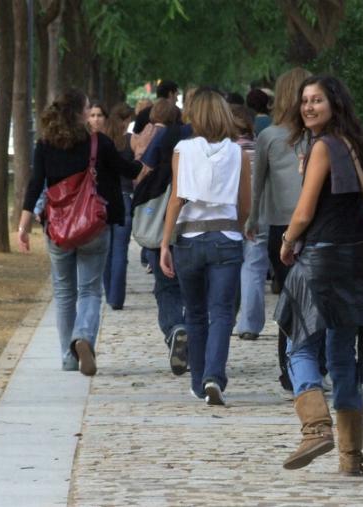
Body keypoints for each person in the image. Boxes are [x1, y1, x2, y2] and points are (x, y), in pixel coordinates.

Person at [274, 75, 363, 475]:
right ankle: (350, 456)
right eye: (304, 101)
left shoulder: (322, 147)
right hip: (354, 262)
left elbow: (304, 212)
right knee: (342, 356)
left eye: (317, 100)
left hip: (320, 261)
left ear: (335, 104)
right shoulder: (353, 145)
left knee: (299, 346)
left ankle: (316, 428)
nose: (308, 107)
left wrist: (287, 241)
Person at [17, 89, 142, 376]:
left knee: (63, 293)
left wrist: (23, 226)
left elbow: (35, 184)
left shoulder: (45, 144)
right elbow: (128, 170)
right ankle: (83, 336)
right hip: (93, 226)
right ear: (78, 113)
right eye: (87, 108)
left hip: (58, 229)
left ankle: (68, 357)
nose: (90, 113)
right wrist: (143, 160)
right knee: (90, 290)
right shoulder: (98, 143)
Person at [159, 89, 251, 406]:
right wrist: (240, 227)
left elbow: (176, 199)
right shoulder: (238, 153)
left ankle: (198, 382)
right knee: (222, 312)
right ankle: (214, 375)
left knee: (195, 312)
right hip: (226, 238)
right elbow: (245, 203)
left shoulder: (182, 149)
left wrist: (165, 243)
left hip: (189, 239)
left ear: (194, 116)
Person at [246, 67, 311, 388]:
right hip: (311, 224)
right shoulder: (315, 136)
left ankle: (290, 367)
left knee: (290, 299)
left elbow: (257, 184)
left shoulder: (269, 136)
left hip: (280, 225)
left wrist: (252, 219)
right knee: (312, 299)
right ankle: (310, 363)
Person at [132, 92, 195, 376]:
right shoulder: (194, 136)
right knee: (192, 287)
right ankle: (191, 334)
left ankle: (175, 328)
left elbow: (144, 170)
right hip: (195, 222)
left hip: (162, 222)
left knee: (166, 285)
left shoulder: (161, 136)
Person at [229, 104, 265, 342]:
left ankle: (226, 316)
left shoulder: (226, 150)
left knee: (228, 267)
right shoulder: (261, 146)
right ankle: (249, 324)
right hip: (259, 212)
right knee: (254, 268)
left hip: (230, 213)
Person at [102, 103, 136, 310]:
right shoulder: (130, 141)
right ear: (126, 120)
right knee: (120, 251)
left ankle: (109, 293)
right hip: (124, 198)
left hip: (105, 199)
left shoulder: (103, 141)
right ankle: (117, 298)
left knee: (106, 250)